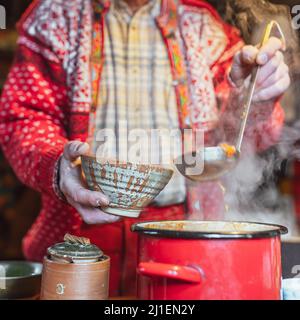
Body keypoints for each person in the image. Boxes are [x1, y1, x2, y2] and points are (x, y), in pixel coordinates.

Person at [0, 0, 290, 296]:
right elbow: (22, 118)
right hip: (79, 241)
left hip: (182, 237)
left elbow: (242, 137)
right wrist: (58, 166)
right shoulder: (55, 15)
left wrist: (254, 98)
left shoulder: (205, 26)